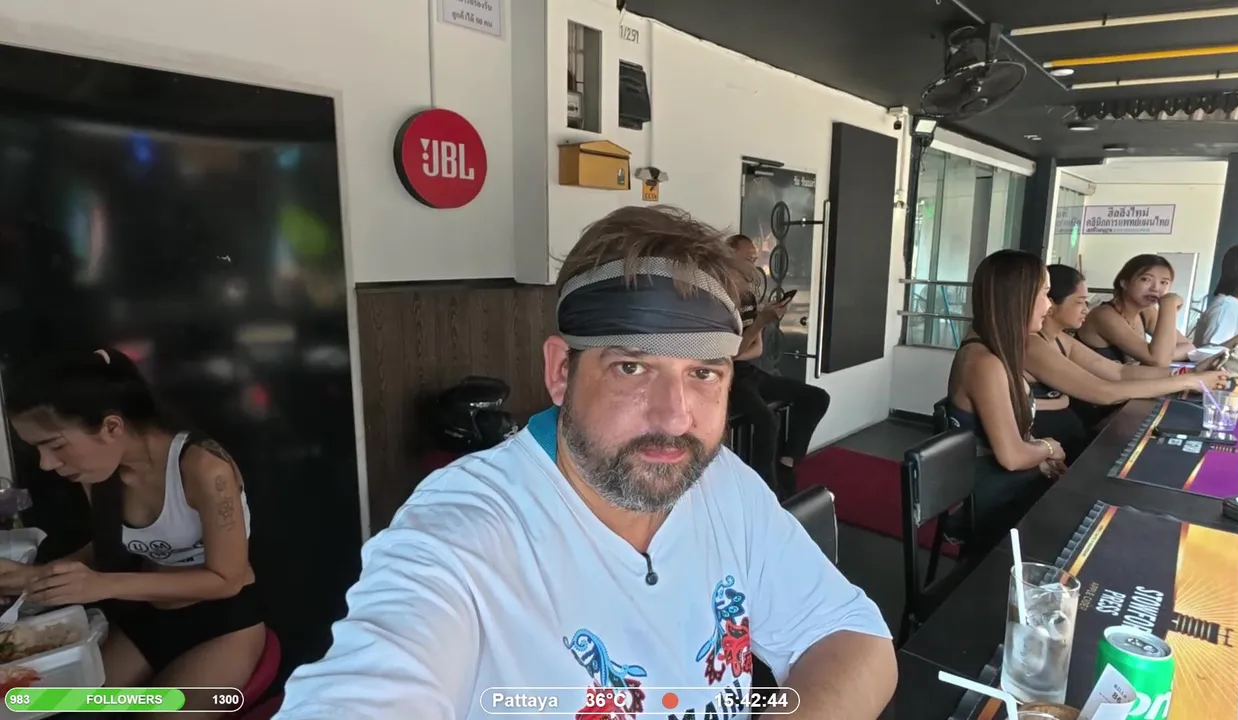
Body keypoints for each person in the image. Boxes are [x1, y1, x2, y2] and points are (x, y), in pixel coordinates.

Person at [275, 206, 896, 720]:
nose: (674, 417)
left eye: (703, 374)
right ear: (560, 372)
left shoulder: (723, 482)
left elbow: (853, 638)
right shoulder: (461, 534)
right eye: (632, 367)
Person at [0, 349, 263, 716]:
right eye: (37, 449)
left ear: (112, 427)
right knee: (69, 709)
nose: (47, 463)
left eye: (55, 445)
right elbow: (109, 546)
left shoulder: (205, 469)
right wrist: (36, 577)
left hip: (225, 622)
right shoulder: (98, 471)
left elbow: (226, 580)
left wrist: (103, 585)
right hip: (151, 619)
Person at [1027, 265, 1230, 448]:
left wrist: (1190, 372)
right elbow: (1103, 391)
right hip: (1058, 444)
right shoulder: (1031, 344)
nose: (1086, 309)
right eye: (1080, 302)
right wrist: (1189, 381)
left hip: (1073, 435)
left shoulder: (1060, 339)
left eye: (1164, 282)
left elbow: (1120, 372)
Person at [945, 250, 1063, 550]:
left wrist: (1039, 457)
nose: (1049, 306)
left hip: (998, 486)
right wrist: (1049, 447)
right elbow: (1012, 457)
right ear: (1017, 298)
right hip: (990, 499)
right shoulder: (984, 363)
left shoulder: (995, 351)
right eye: (1045, 293)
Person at [725, 234, 831, 498]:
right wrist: (760, 323)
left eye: (754, 259)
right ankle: (767, 492)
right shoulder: (722, 298)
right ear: (729, 256)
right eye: (747, 259)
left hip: (749, 372)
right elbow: (729, 354)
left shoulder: (749, 296)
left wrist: (751, 333)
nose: (753, 266)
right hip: (728, 378)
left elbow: (756, 349)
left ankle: (787, 462)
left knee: (817, 397)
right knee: (767, 422)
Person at [1076, 254, 1195, 366]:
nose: (1156, 288)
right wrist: (1168, 307)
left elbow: (1189, 348)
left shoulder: (1146, 312)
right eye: (1146, 279)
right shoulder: (1104, 315)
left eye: (1164, 282)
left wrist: (1164, 355)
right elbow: (1159, 360)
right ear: (1124, 283)